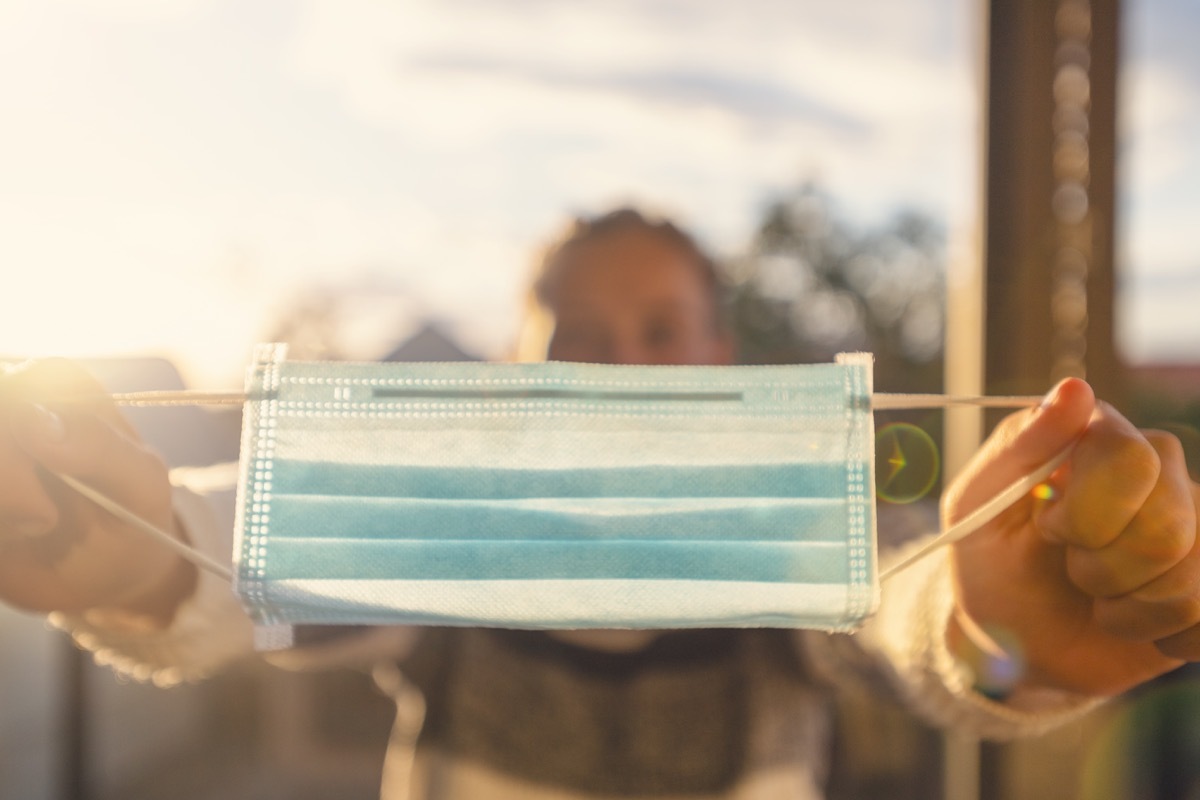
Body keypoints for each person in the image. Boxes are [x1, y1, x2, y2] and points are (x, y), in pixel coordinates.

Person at [1, 207, 1198, 799]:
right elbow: (233, 564)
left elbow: (907, 614)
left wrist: (993, 626)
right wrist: (119, 558)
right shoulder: (451, 527)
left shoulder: (794, 531)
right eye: (580, 336)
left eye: (660, 332)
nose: (623, 366)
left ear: (725, 358)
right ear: (527, 375)